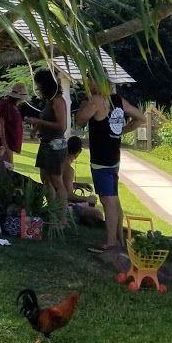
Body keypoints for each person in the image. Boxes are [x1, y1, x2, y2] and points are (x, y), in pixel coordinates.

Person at [75, 78, 145, 253]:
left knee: (108, 200)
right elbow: (140, 118)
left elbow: (79, 120)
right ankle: (119, 240)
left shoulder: (97, 101)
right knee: (114, 198)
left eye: (90, 81)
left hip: (101, 159)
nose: (87, 84)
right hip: (114, 157)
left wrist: (86, 101)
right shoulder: (118, 100)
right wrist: (122, 130)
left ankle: (111, 243)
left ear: (98, 83)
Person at [29, 69, 69, 208]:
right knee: (45, 179)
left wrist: (39, 123)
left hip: (55, 146)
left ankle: (62, 219)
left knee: (57, 182)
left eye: (39, 85)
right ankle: (51, 211)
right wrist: (36, 128)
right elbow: (44, 118)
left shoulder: (58, 101)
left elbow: (61, 126)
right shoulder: (49, 101)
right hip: (45, 143)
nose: (37, 88)